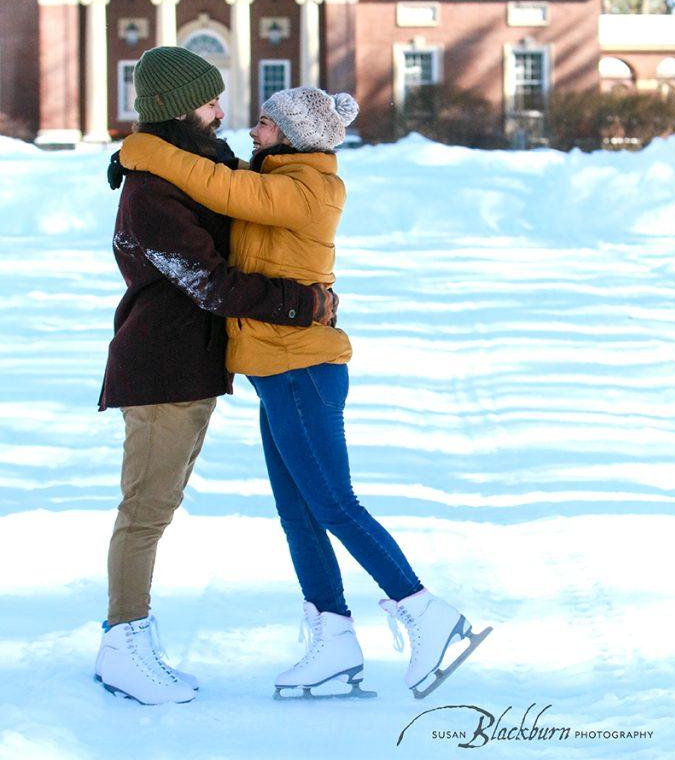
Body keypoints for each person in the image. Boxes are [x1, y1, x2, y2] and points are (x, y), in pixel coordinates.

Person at [119, 85, 491, 700]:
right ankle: (334, 636)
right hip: (275, 372)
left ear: (292, 134)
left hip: (302, 369)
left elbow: (222, 187)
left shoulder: (305, 187)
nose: (252, 129)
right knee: (299, 513)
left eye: (264, 122)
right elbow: (221, 174)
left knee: (334, 504)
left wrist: (142, 146)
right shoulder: (275, 174)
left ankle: (424, 611)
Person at [97, 47, 337, 705]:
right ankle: (122, 640)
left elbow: (256, 190)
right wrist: (301, 303)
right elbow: (207, 280)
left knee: (158, 506)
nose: (221, 113)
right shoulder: (152, 193)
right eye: (209, 103)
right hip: (158, 367)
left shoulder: (199, 167)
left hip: (192, 366)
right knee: (145, 510)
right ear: (179, 111)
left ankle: (130, 635)